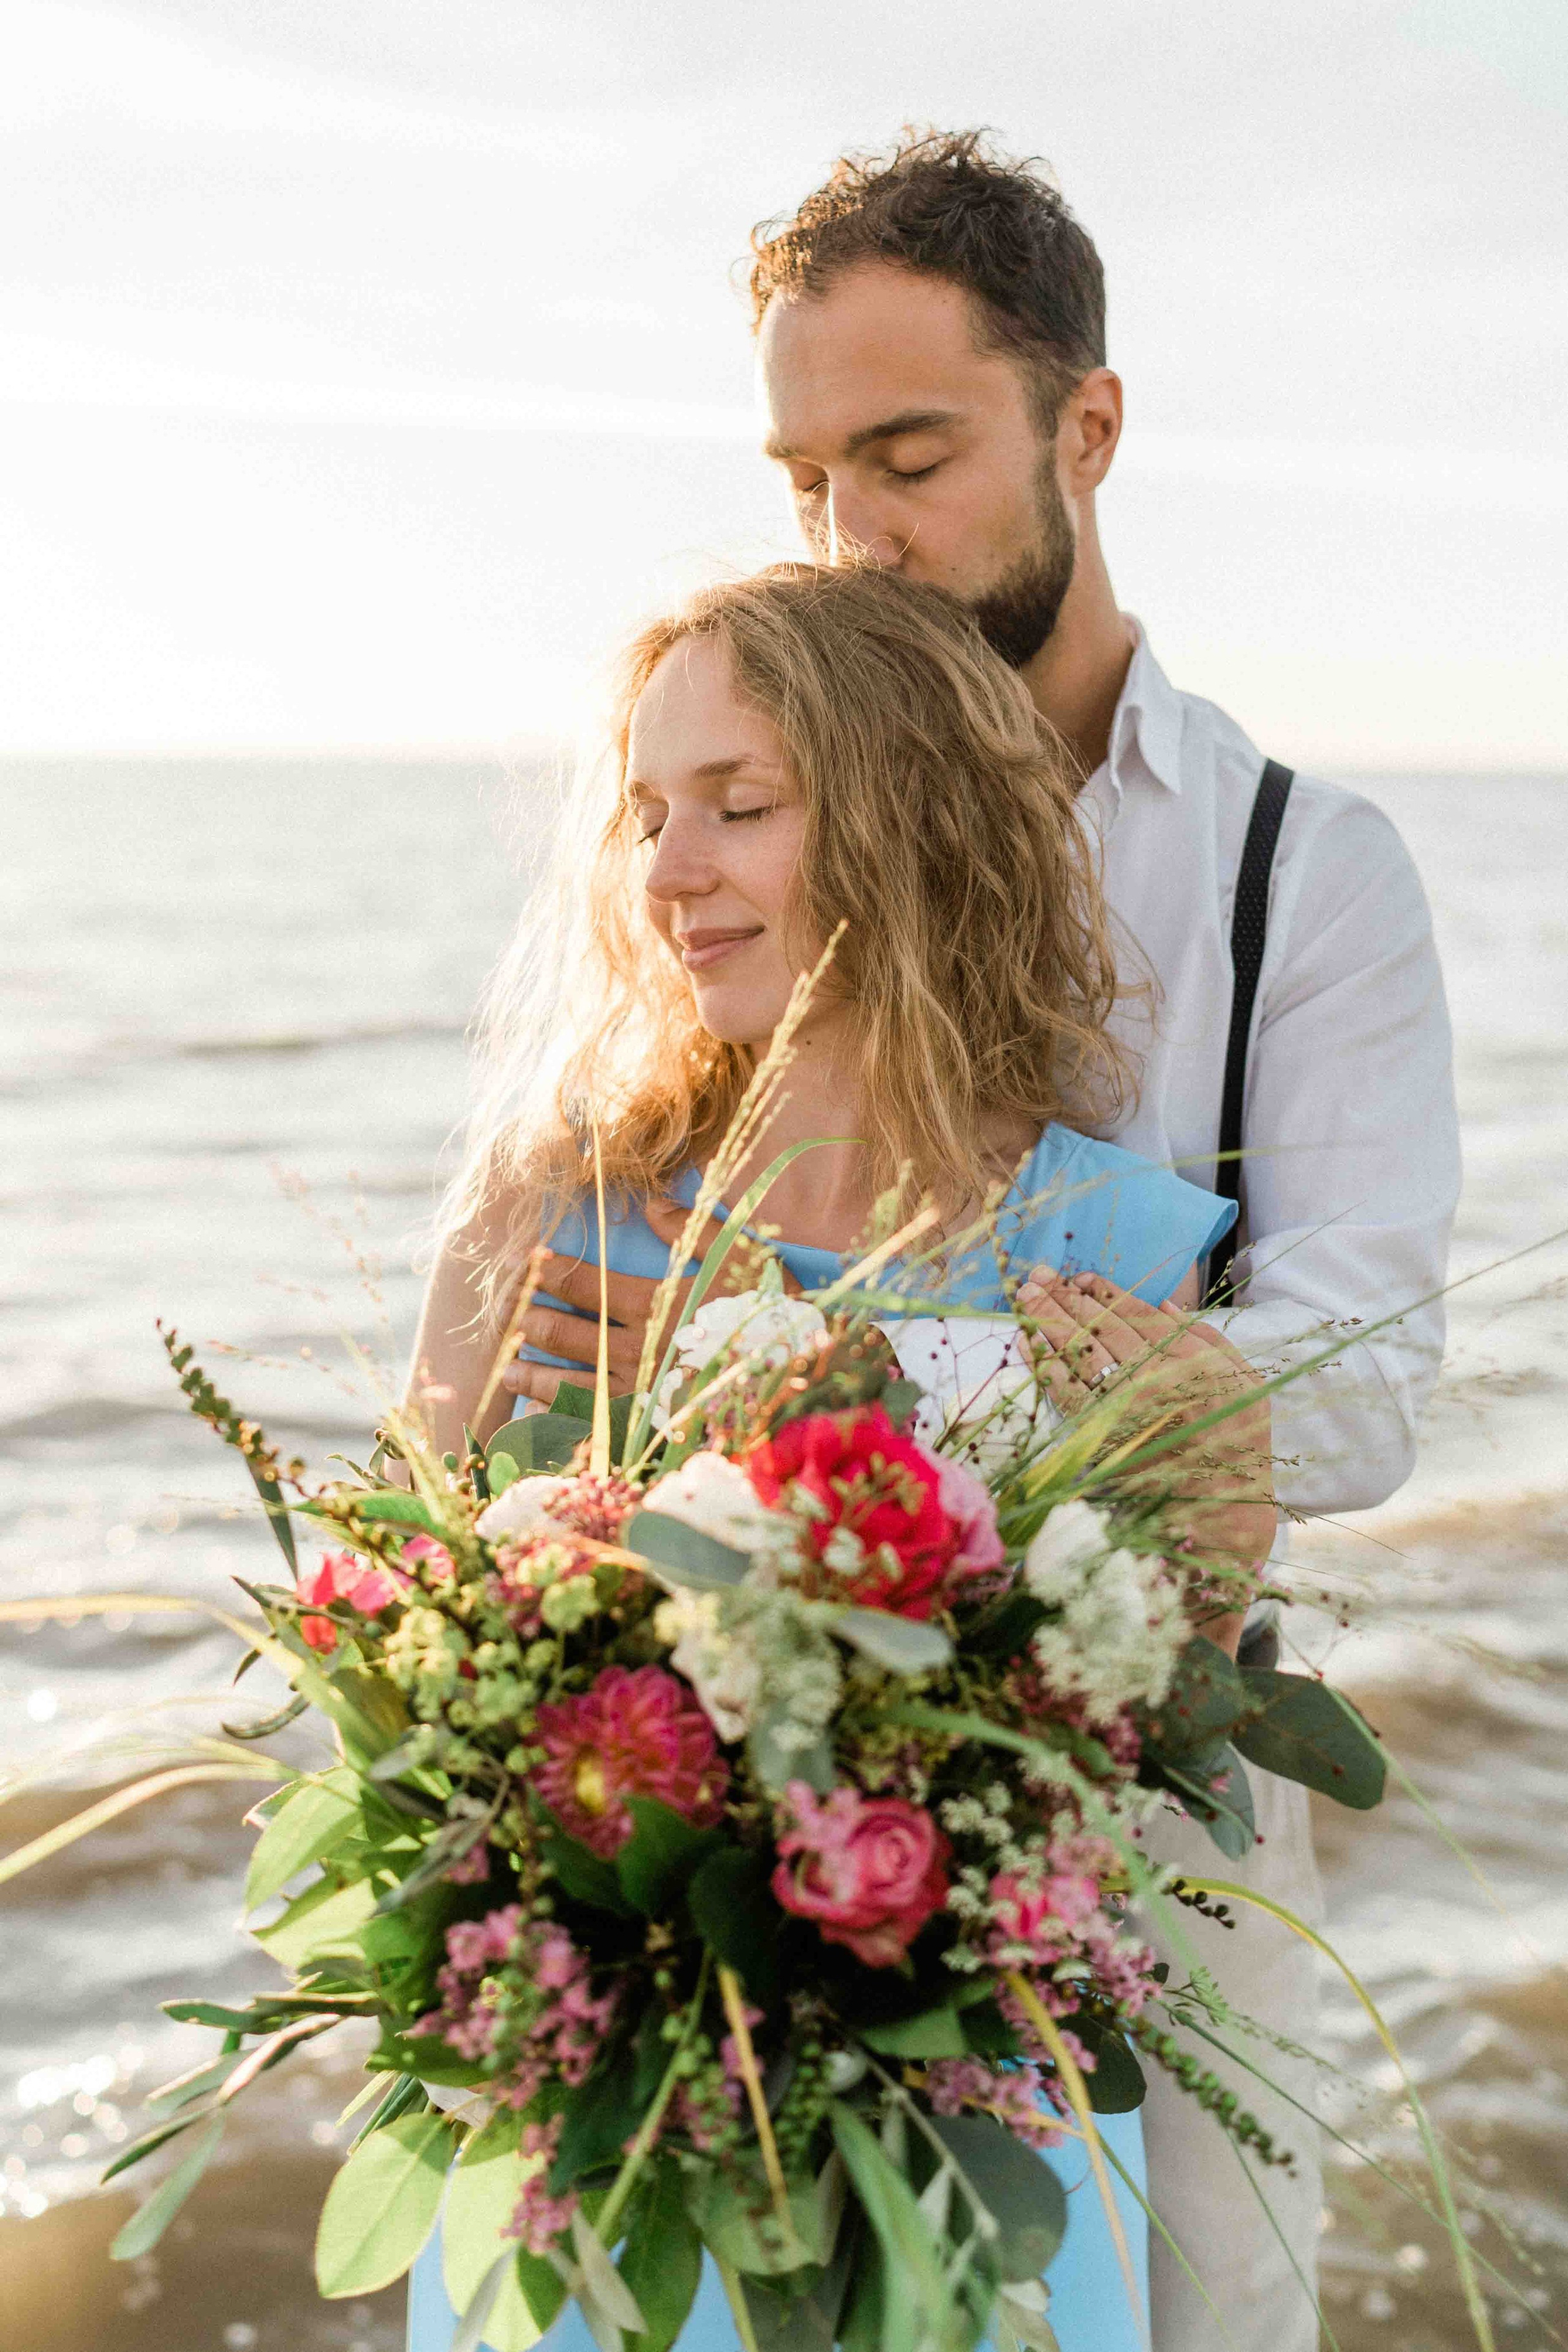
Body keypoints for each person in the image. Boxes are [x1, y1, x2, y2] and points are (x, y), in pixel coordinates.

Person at [511, 135, 1462, 2348]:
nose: (852, 532)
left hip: (1155, 1796)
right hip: (749, 1809)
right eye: (806, 476)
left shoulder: (1299, 871)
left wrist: (868, 1404)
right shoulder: (729, 819)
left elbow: (1361, 1380)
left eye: (911, 457)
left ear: (1086, 428)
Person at [405, 562, 1278, 2350]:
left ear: (912, 821)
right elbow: (402, 1647)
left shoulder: (1113, 1252)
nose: (669, 870)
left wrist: (1230, 1523)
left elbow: (1144, 1758)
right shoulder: (556, 1207)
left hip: (976, 2138)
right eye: (648, 814)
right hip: (611, 2146)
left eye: (739, 805)